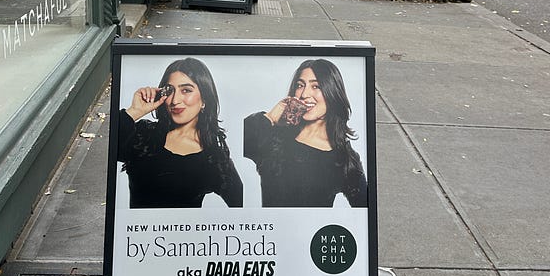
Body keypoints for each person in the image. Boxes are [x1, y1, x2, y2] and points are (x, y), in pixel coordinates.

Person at [118, 57, 243, 207]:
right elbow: (109, 153)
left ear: (204, 99)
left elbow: (242, 206)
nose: (175, 100)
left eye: (186, 90)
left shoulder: (213, 158)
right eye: (170, 90)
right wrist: (134, 112)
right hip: (138, 223)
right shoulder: (144, 134)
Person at [243, 58, 368, 207]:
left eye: (316, 86)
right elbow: (238, 140)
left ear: (332, 92)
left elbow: (365, 209)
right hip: (271, 223)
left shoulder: (344, 159)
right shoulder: (274, 137)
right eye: (300, 85)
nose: (304, 94)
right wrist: (271, 117)